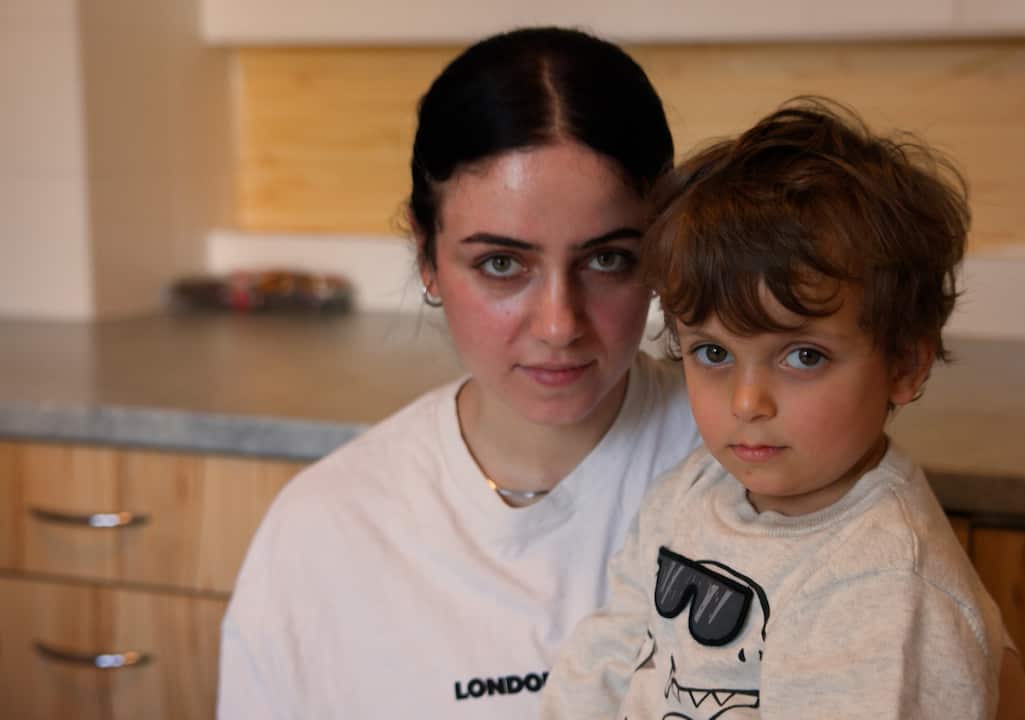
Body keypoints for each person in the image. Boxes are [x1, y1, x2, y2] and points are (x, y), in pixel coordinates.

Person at [217, 27, 700, 719]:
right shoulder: (325, 532)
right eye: (502, 264)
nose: (559, 324)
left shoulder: (751, 473)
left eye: (607, 259)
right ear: (427, 259)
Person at [541, 99, 1009, 719]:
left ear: (904, 365)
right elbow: (609, 652)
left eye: (803, 357)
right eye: (712, 351)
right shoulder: (694, 490)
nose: (746, 402)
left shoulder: (885, 588)